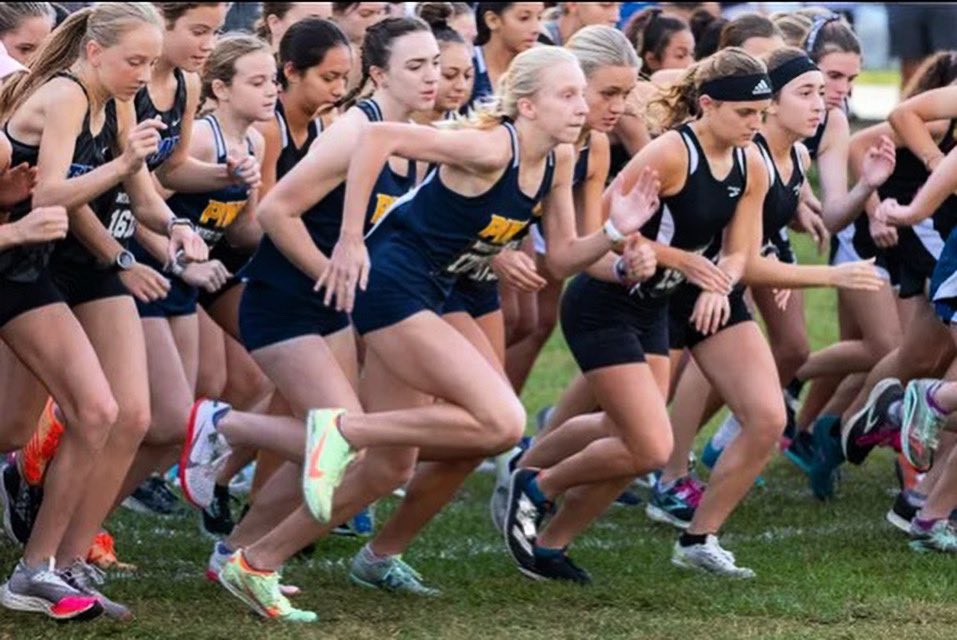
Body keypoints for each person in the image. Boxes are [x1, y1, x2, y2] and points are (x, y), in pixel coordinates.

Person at [0, 3, 207, 622]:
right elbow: (53, 191)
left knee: (110, 415)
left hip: (43, 261)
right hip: (21, 261)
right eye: (133, 60)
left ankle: (53, 566)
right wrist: (122, 167)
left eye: (150, 61)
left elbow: (142, 199)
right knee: (74, 414)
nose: (145, 74)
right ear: (94, 52)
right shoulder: (66, 95)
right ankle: (38, 569)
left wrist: (176, 229)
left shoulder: (114, 101)